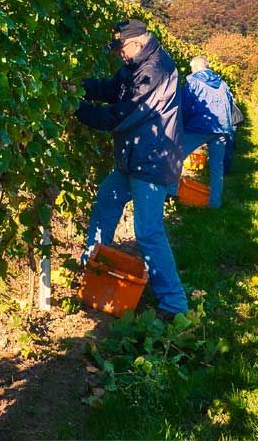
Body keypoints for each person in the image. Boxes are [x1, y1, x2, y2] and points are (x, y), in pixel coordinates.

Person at [75, 19, 188, 320]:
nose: (119, 55)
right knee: (106, 201)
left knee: (148, 231)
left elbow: (121, 115)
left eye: (121, 49)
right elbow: (112, 89)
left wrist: (77, 109)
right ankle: (91, 268)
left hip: (152, 160)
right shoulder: (136, 64)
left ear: (137, 43)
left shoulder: (156, 71)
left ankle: (174, 305)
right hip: (132, 156)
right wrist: (79, 87)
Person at [179, 57, 236, 207]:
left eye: (191, 68)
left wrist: (181, 126)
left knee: (177, 156)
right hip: (222, 128)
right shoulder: (222, 83)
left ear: (196, 67)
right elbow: (230, 104)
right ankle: (215, 203)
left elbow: (185, 106)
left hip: (200, 126)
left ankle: (172, 192)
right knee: (217, 166)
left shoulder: (194, 82)